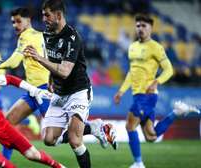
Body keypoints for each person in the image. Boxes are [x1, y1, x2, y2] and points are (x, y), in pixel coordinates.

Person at [24, 0, 117, 167]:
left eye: (47, 15)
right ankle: (95, 128)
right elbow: (53, 59)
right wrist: (50, 80)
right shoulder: (47, 35)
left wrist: (39, 58)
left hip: (78, 92)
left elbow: (65, 71)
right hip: (59, 93)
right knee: (49, 139)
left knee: (75, 140)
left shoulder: (72, 38)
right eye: (43, 15)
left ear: (58, 15)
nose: (44, 19)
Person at [113, 14, 200, 168]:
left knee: (129, 126)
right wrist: (121, 91)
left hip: (147, 96)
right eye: (138, 25)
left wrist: (156, 82)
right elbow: (131, 73)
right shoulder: (132, 47)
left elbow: (169, 70)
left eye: (144, 26)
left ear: (151, 28)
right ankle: (177, 112)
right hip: (137, 95)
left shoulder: (156, 47)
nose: (140, 28)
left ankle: (138, 163)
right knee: (151, 136)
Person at [0, 7, 50, 159]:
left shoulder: (25, 36)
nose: (15, 25)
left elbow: (14, 62)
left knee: (56, 135)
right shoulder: (41, 35)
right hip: (33, 90)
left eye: (18, 21)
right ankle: (4, 163)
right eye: (13, 22)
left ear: (28, 20)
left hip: (44, 89)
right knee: (7, 124)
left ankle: (96, 128)